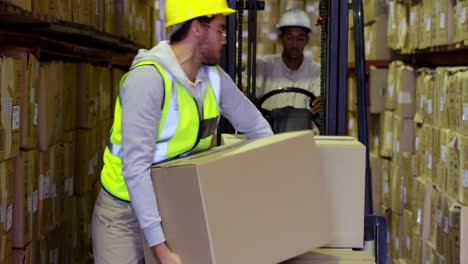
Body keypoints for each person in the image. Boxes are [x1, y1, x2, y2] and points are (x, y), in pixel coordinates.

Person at [91, 0, 273, 263]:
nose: (224, 40)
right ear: (198, 27)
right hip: (124, 214)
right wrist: (161, 249)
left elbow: (257, 128)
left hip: (175, 207)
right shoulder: (148, 80)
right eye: (220, 30)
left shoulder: (213, 77)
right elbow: (135, 168)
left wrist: (264, 192)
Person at [255, 8, 321, 115]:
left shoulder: (316, 72)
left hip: (305, 130)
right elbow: (243, 90)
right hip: (269, 130)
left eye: (300, 38)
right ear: (281, 38)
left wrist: (322, 103)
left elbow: (322, 99)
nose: (294, 44)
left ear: (307, 40)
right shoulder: (263, 67)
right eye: (289, 37)